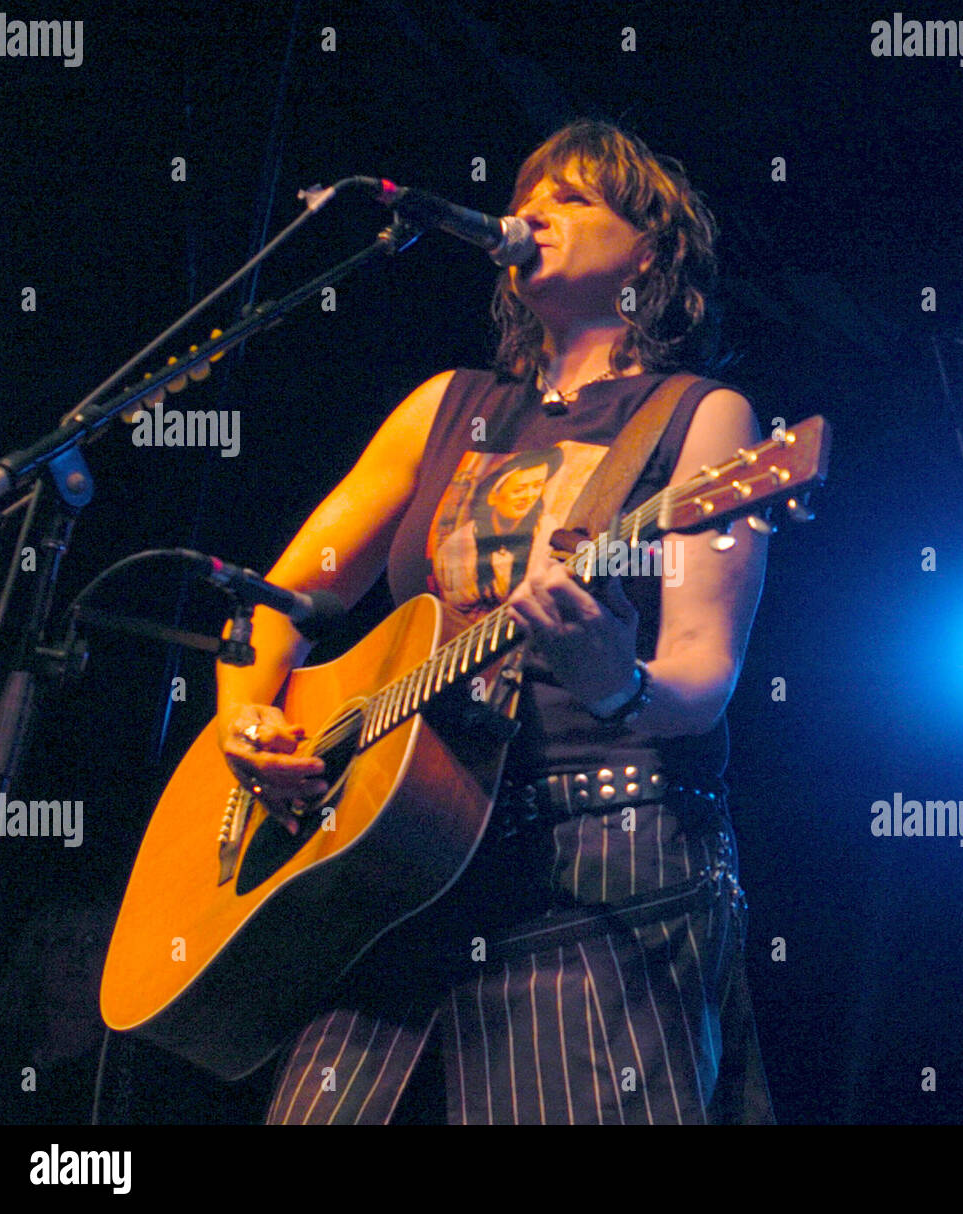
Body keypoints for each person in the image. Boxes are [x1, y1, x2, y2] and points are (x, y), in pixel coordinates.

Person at [216, 119, 772, 1124]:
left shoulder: (705, 419)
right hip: (393, 859)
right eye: (529, 194)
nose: (533, 213)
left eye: (572, 198)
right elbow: (280, 598)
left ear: (648, 250)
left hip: (598, 866)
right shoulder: (447, 406)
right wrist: (244, 720)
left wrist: (617, 679)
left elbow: (702, 675)